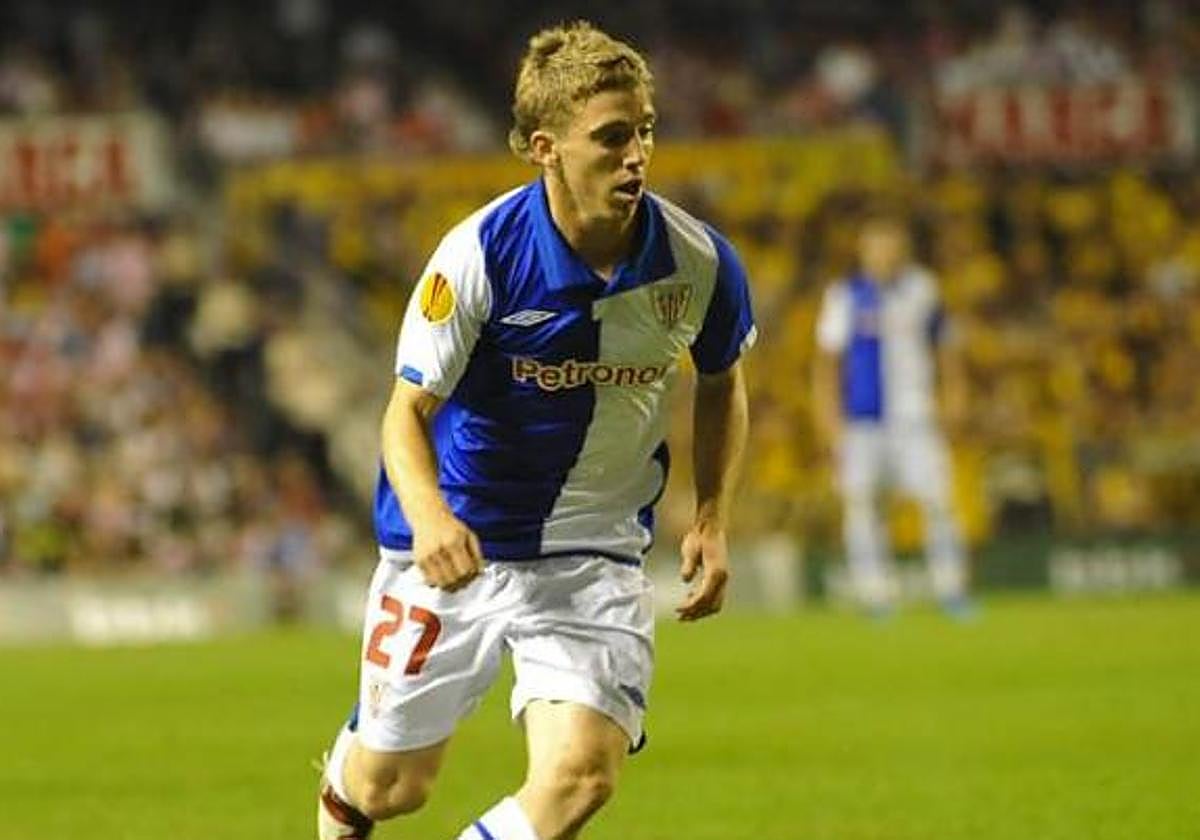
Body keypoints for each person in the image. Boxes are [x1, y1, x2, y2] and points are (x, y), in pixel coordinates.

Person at [317, 21, 755, 840]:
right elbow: (403, 413)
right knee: (392, 787)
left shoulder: (698, 263)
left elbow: (724, 379)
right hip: (458, 548)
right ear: (544, 147)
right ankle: (344, 785)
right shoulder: (477, 256)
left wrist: (711, 517)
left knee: (581, 777)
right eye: (612, 138)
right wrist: (433, 517)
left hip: (594, 551)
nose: (636, 157)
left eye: (646, 132)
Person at [812, 213, 971, 617]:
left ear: (902, 250)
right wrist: (828, 420)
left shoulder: (923, 289)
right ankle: (876, 594)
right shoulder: (845, 295)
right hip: (862, 420)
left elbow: (947, 345)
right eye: (877, 246)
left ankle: (951, 589)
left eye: (891, 246)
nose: (884, 254)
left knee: (939, 499)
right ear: (864, 251)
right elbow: (827, 363)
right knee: (864, 505)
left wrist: (954, 394)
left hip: (916, 417)